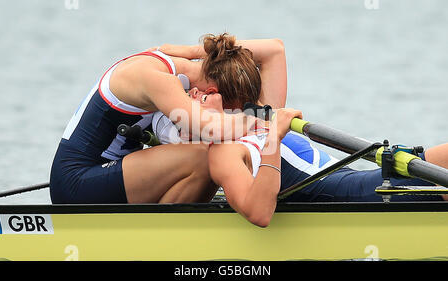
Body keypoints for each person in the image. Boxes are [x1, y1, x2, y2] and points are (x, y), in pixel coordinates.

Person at [152, 88, 448, 228]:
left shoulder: (251, 116)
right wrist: (273, 139)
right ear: (185, 128)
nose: (194, 90)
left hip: (365, 177)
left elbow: (274, 50)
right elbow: (258, 214)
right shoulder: (223, 153)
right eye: (186, 97)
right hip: (360, 197)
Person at [49, 33, 286, 204]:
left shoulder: (180, 66)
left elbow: (275, 50)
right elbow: (214, 130)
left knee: (208, 152)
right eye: (230, 110)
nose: (228, 114)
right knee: (205, 157)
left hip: (114, 172)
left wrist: (196, 50)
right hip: (76, 183)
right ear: (213, 92)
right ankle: (161, 240)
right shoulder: (158, 79)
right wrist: (264, 117)